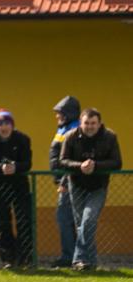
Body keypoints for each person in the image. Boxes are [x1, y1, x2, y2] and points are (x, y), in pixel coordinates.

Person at [59, 108, 122, 271]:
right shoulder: (71, 136)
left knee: (88, 220)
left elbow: (117, 162)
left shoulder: (109, 137)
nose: (90, 126)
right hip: (77, 185)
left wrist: (95, 166)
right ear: (81, 123)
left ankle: (78, 259)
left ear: (99, 123)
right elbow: (62, 161)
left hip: (98, 186)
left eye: (93, 123)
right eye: (86, 123)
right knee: (83, 225)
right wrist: (80, 166)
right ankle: (90, 263)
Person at [0, 109, 33, 268]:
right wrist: (2, 167)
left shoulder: (23, 139)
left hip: (19, 185)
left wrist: (15, 167)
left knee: (23, 222)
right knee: (3, 223)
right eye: (0, 124)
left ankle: (24, 258)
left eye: (7, 123)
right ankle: (8, 260)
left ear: (12, 125)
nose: (4, 127)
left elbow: (27, 163)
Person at [49, 96, 81, 268]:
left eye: (60, 113)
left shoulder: (73, 130)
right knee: (68, 219)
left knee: (65, 218)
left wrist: (64, 181)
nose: (57, 116)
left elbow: (69, 158)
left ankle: (70, 257)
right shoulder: (63, 129)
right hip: (65, 182)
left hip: (68, 183)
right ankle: (73, 256)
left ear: (68, 113)